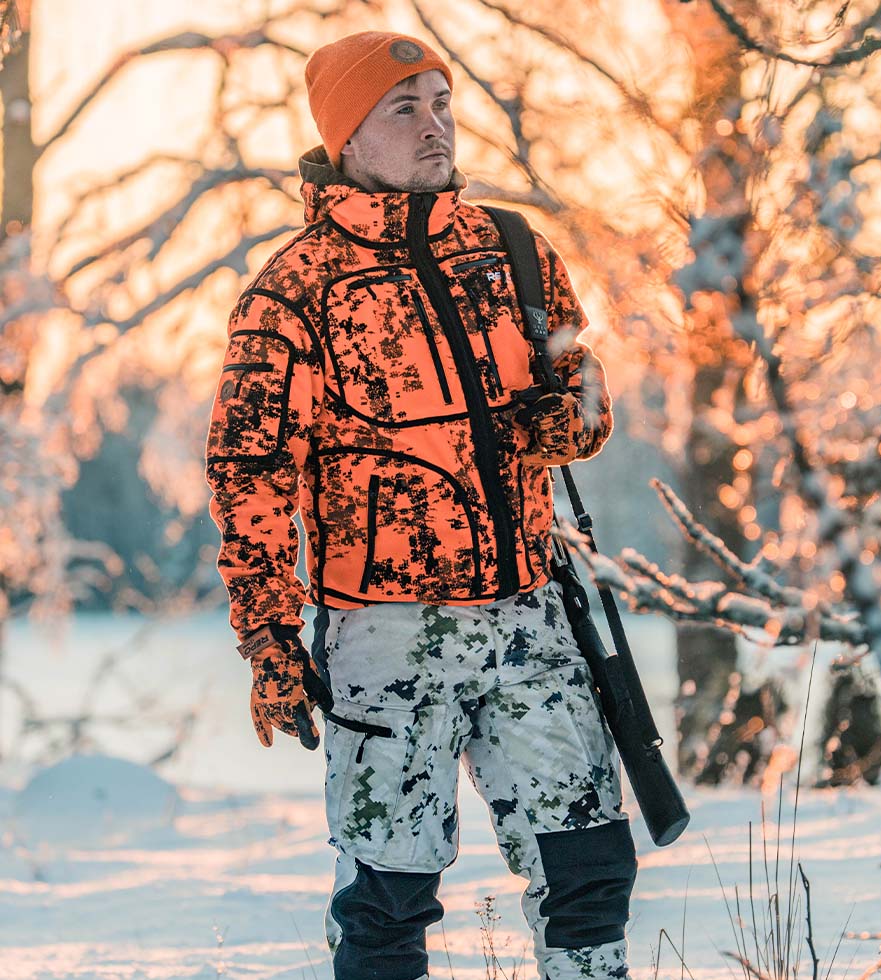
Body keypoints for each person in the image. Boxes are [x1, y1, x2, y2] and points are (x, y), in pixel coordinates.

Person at [205, 30, 637, 980]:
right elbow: (250, 474)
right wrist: (271, 640)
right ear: (347, 137)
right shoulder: (291, 293)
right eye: (405, 107)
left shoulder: (515, 251)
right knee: (390, 894)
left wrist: (560, 421)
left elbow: (587, 398)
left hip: (531, 612)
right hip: (386, 634)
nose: (435, 125)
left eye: (442, 102)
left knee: (591, 869)